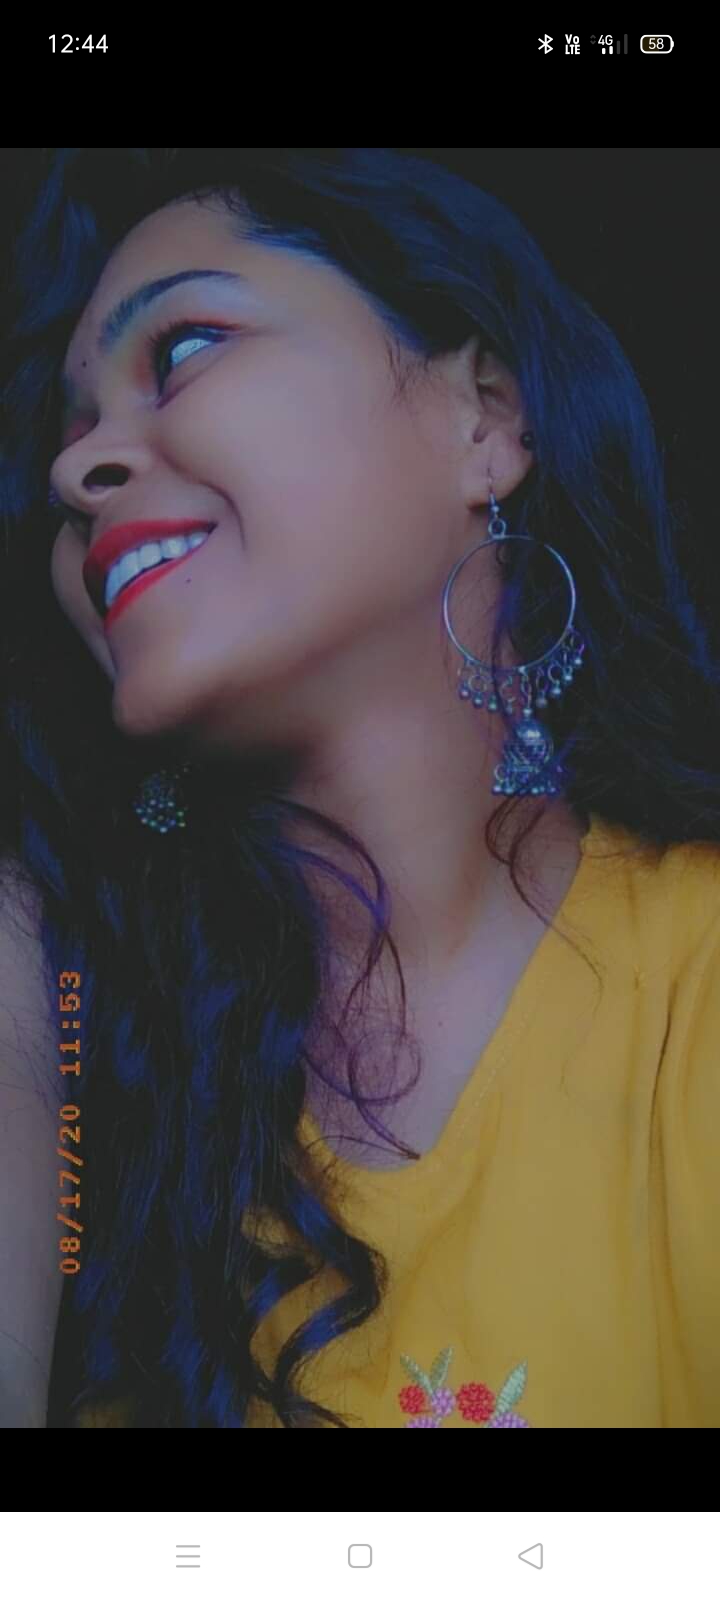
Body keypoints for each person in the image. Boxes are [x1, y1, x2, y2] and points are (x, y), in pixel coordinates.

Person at [1, 148, 719, 1429]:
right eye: (70, 431)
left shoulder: (693, 972)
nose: (78, 472)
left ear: (483, 418)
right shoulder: (61, 1018)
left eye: (182, 350)